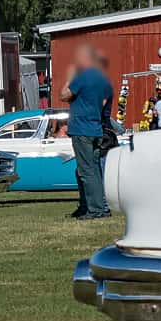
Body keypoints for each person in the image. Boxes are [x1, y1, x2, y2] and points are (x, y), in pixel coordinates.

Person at [62, 43, 115, 221]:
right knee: (94, 170)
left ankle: (95, 209)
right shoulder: (103, 81)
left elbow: (65, 95)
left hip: (81, 128)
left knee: (86, 171)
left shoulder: (83, 77)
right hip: (96, 128)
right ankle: (101, 206)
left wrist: (69, 79)